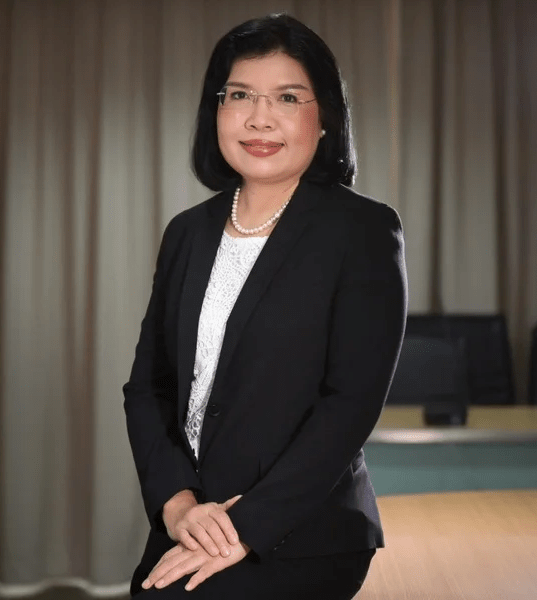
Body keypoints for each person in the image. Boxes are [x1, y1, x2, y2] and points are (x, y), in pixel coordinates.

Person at [123, 13, 407, 600]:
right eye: (239, 95)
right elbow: (148, 387)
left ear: (324, 117)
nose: (259, 118)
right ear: (216, 109)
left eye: (287, 97)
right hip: (194, 519)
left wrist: (245, 529)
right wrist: (176, 504)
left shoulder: (362, 231)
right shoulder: (187, 233)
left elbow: (349, 405)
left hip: (300, 532)